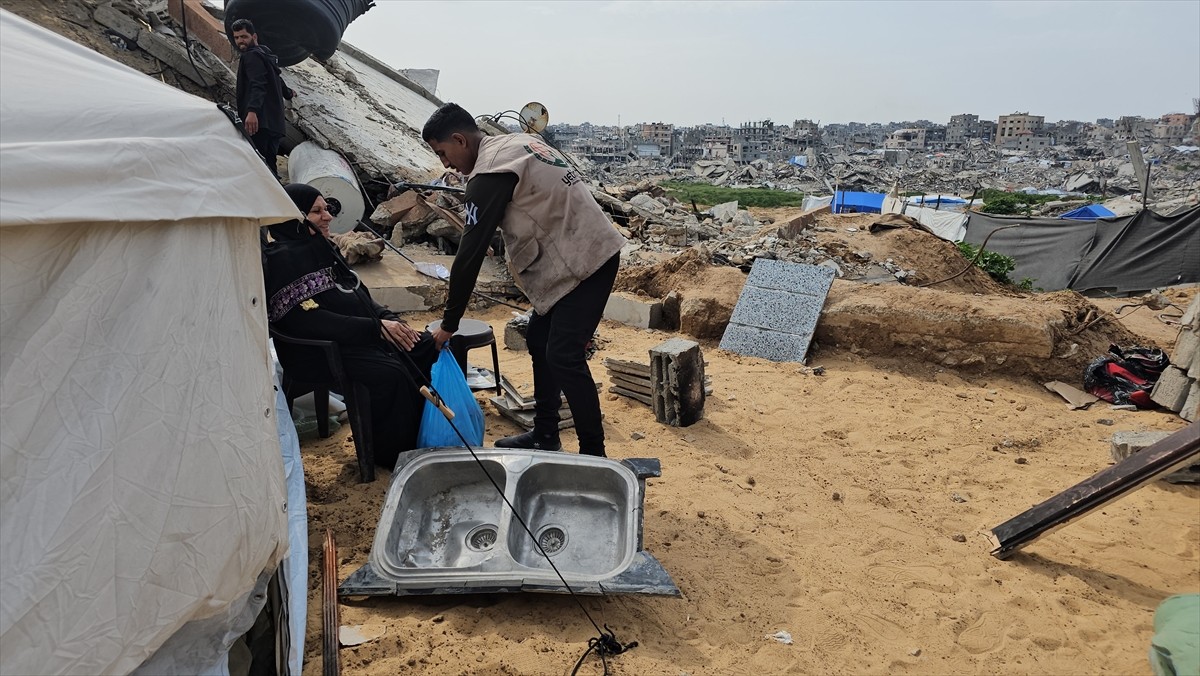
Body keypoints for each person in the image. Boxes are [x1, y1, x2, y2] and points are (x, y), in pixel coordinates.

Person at [421, 103, 626, 457]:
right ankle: (546, 434)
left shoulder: (489, 173)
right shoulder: (514, 143)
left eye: (443, 153)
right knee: (539, 338)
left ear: (459, 140)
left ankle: (595, 455)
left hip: (585, 261)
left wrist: (448, 324)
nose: (446, 165)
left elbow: (469, 255)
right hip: (584, 248)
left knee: (563, 355)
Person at [263, 183, 436, 469]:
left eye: (327, 209)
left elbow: (356, 293)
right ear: (294, 217)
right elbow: (307, 320)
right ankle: (389, 455)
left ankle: (420, 435)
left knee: (421, 344)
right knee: (390, 373)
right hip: (318, 352)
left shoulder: (321, 247)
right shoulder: (281, 259)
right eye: (316, 212)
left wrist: (389, 319)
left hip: (354, 336)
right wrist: (374, 328)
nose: (328, 216)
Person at [232, 19, 293, 177]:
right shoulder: (266, 55)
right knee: (270, 166)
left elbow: (257, 84)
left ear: (254, 36)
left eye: (244, 36)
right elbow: (277, 79)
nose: (240, 41)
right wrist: (289, 93)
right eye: (237, 37)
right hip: (275, 124)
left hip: (260, 123)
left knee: (258, 167)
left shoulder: (251, 56)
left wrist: (252, 112)